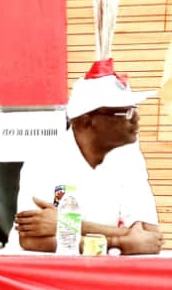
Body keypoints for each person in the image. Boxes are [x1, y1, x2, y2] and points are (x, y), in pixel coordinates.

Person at [12, 60, 162, 254]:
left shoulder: (128, 156)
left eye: (134, 110)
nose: (135, 119)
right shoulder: (43, 158)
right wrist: (118, 241)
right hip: (41, 267)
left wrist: (65, 224)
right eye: (124, 113)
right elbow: (31, 239)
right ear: (86, 122)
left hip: (99, 267)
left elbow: (150, 237)